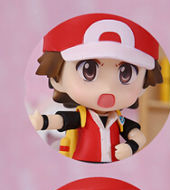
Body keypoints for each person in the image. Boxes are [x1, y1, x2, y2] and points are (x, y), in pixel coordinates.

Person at [30, 13, 163, 162]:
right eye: (89, 71)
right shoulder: (82, 117)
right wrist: (42, 121)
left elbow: (138, 136)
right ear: (57, 79)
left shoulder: (119, 120)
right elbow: (61, 120)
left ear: (143, 85)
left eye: (126, 74)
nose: (108, 88)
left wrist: (131, 146)